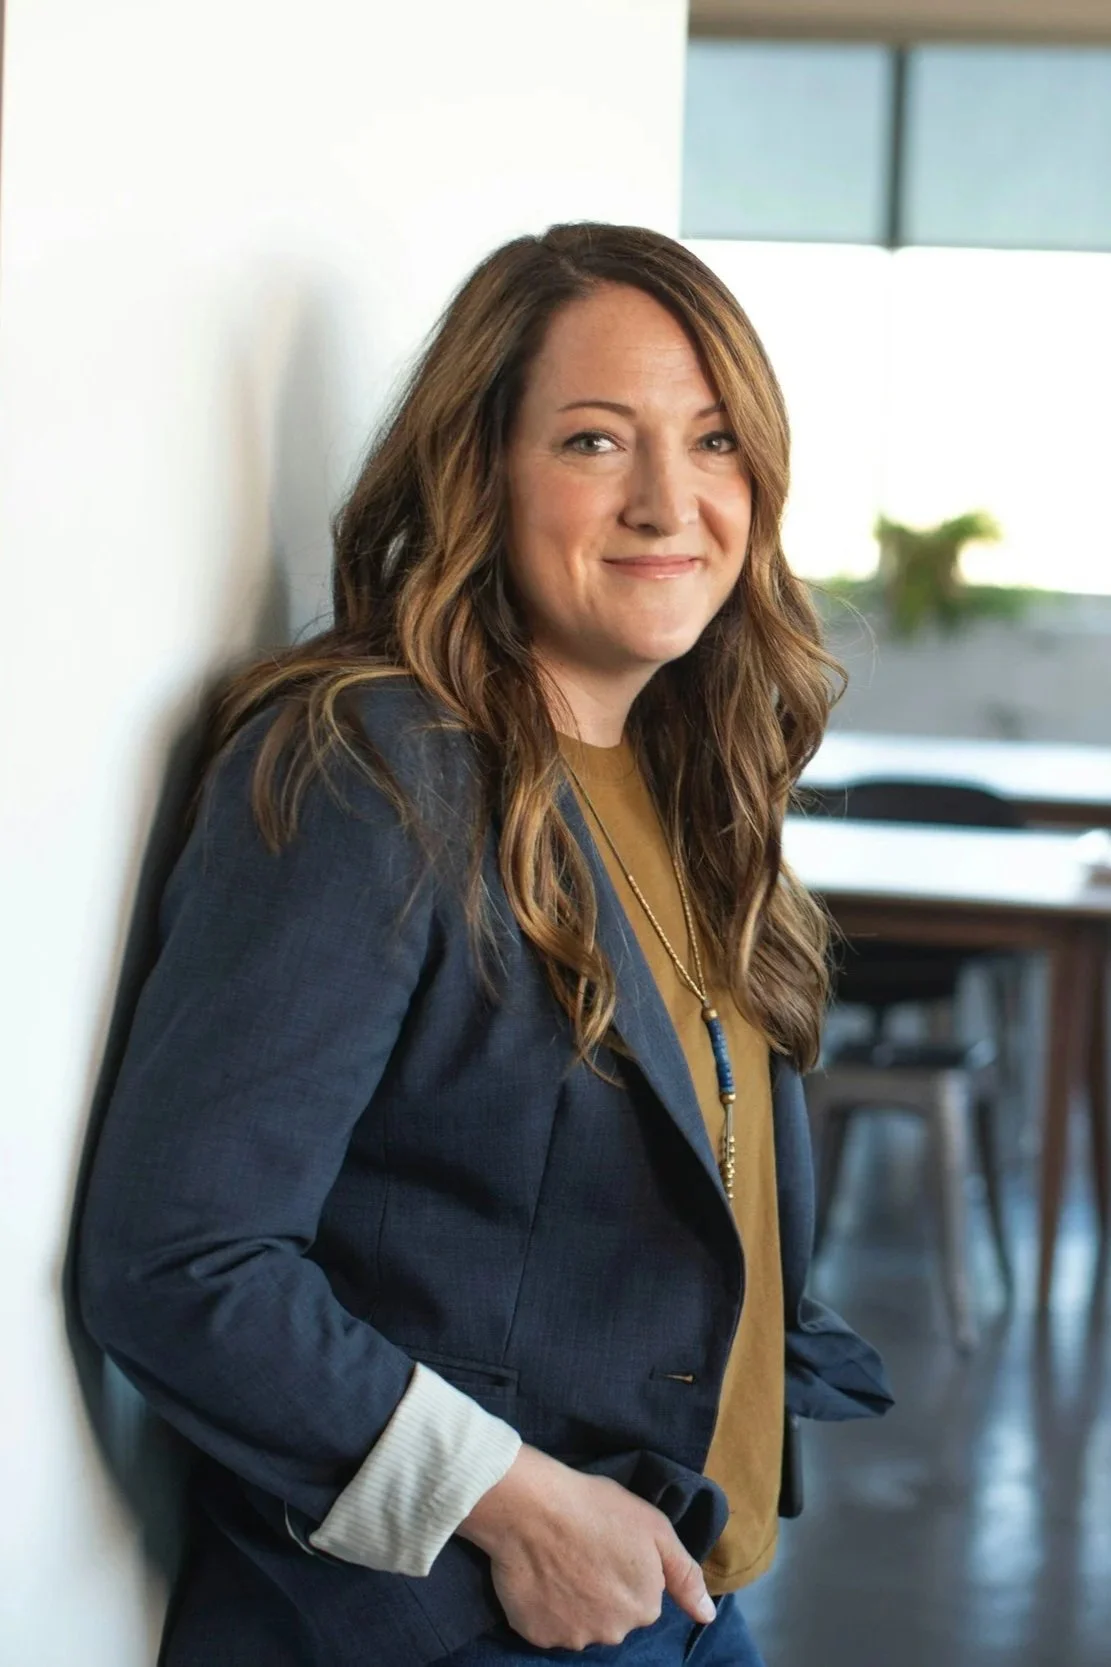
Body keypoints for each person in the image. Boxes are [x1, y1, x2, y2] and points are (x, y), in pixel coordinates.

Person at [78, 222, 893, 1667]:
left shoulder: (689, 775)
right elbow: (182, 1256)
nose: (668, 500)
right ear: (483, 469)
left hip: (679, 1585)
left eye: (713, 440)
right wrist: (514, 1507)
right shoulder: (374, 767)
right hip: (469, 1614)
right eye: (594, 441)